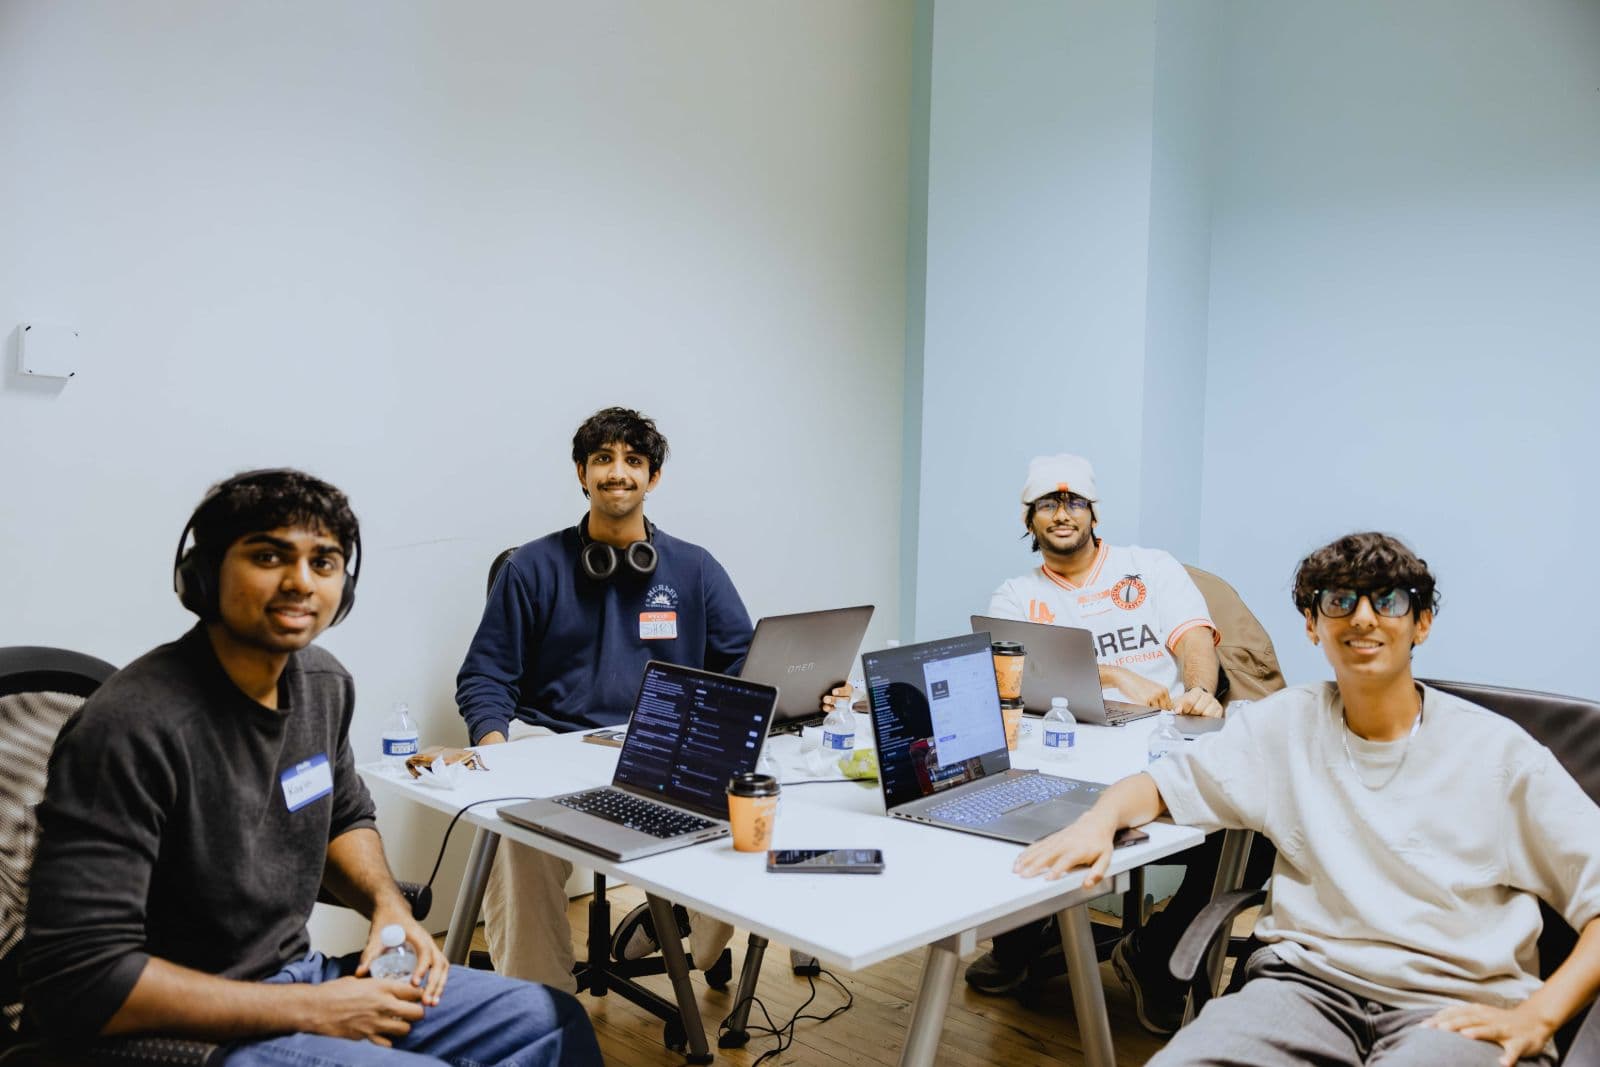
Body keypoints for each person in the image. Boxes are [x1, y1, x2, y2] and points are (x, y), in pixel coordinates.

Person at [20, 469, 601, 1066]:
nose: (300, 581)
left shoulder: (321, 685)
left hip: (296, 976)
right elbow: (84, 982)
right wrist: (320, 1012)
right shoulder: (130, 727)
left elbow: (344, 817)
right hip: (173, 1028)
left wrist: (387, 907)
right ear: (203, 575)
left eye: (323, 563)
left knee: (549, 1022)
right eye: (269, 556)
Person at [1017, 532, 1600, 1067]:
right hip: (1303, 991)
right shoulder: (1285, 726)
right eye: (1339, 602)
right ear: (1312, 625)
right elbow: (1160, 785)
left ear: (1421, 624)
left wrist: (1540, 1014)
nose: (1363, 619)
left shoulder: (1498, 755)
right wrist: (1100, 821)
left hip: (1451, 1005)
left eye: (1388, 602)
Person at [456, 406, 846, 989]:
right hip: (552, 741)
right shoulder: (531, 567)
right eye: (603, 460)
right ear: (582, 474)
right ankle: (543, 1010)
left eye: (633, 461)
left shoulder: (694, 568)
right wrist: (496, 747)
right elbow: (485, 676)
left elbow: (744, 666)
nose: (618, 473)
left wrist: (805, 696)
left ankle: (693, 928)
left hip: (667, 742)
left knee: (755, 799)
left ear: (653, 478)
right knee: (517, 838)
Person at [967, 453, 1277, 1035]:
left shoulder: (1148, 568)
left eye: (1073, 502)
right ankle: (1020, 943)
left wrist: (1198, 691)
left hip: (1158, 741)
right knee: (1008, 797)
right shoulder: (1014, 595)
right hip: (1061, 746)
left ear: (1092, 512)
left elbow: (1195, 640)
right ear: (1029, 519)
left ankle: (1157, 950)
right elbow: (1010, 678)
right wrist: (1112, 676)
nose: (1062, 514)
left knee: (1255, 829)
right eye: (1046, 505)